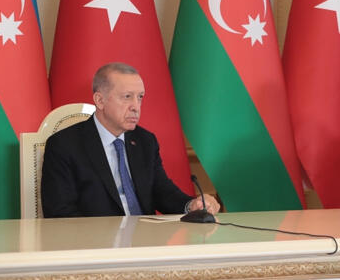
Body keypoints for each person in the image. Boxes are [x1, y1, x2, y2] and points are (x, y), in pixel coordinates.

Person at [42, 62, 219, 218]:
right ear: (100, 100)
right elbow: (60, 212)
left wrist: (192, 205)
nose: (136, 107)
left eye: (140, 97)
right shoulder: (64, 145)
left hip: (145, 239)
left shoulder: (145, 141)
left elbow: (162, 192)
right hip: (95, 242)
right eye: (127, 97)